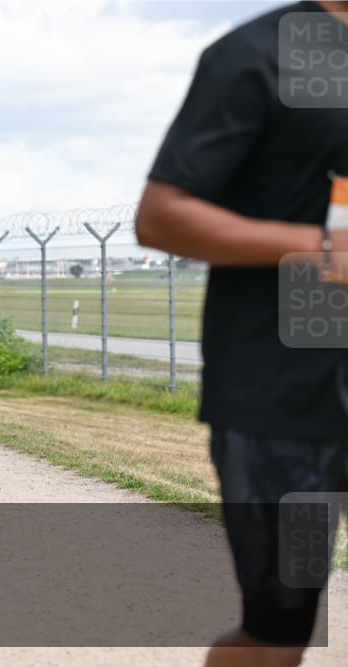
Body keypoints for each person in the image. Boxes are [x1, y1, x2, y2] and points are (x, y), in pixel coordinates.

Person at [134, 3, 348, 666]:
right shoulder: (259, 54)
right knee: (280, 630)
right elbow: (161, 216)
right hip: (286, 398)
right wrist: (325, 248)